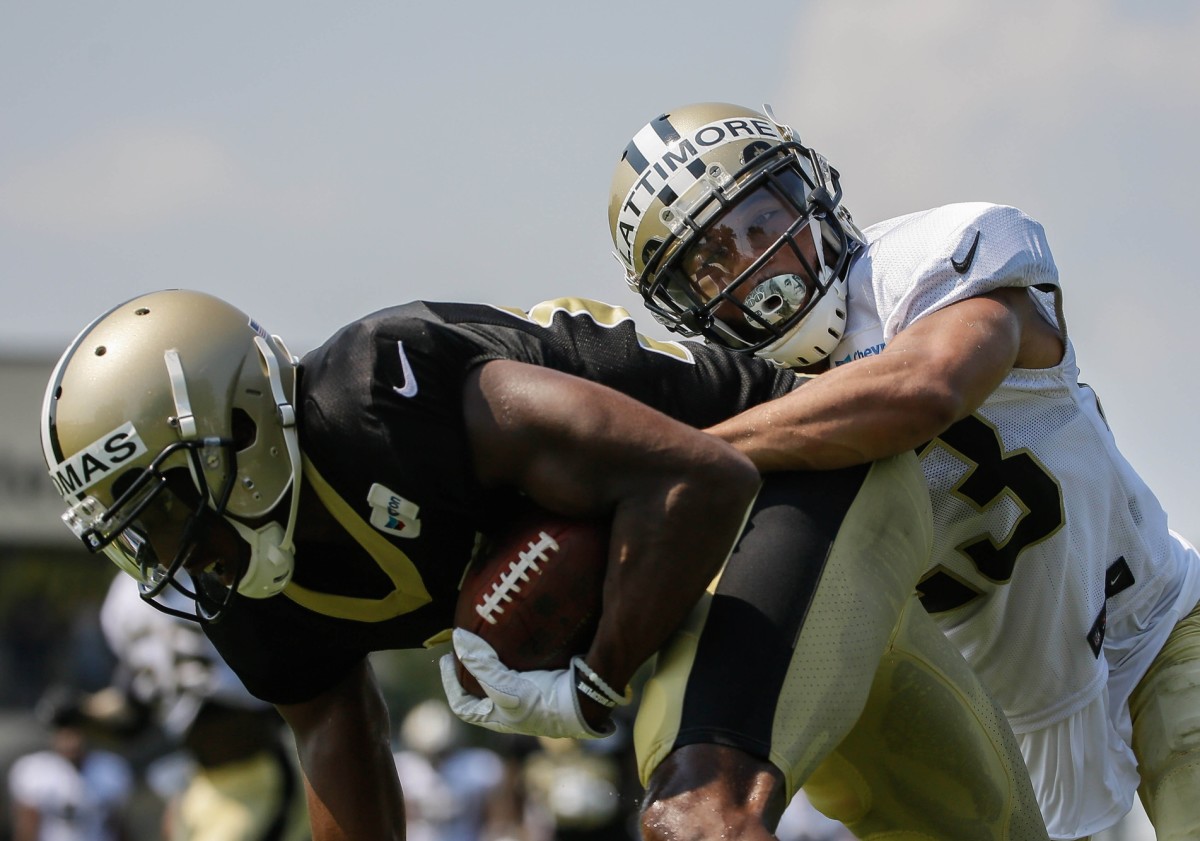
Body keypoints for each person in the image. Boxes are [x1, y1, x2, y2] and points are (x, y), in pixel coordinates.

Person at [40, 290, 1045, 841]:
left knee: (698, 811)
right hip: (702, 561)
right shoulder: (249, 591)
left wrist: (594, 679)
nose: (167, 552)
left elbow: (696, 478)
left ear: (243, 426)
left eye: (170, 505)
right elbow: (336, 739)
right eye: (137, 531)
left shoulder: (385, 401)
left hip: (802, 483)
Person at [608, 101, 1200, 841]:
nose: (753, 261)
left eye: (760, 221)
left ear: (810, 194)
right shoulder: (738, 397)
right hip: (991, 724)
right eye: (711, 261)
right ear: (688, 306)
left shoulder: (933, 256)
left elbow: (926, 387)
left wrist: (694, 458)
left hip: (1151, 628)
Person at [95, 575, 311, 841]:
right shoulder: (128, 595)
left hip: (257, 776)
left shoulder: (222, 564)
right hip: (201, 783)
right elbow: (133, 709)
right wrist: (79, 713)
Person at [7, 688, 134, 841]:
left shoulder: (110, 769)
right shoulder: (33, 771)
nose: (71, 740)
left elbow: (118, 828)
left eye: (76, 730)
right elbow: (27, 830)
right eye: (63, 731)